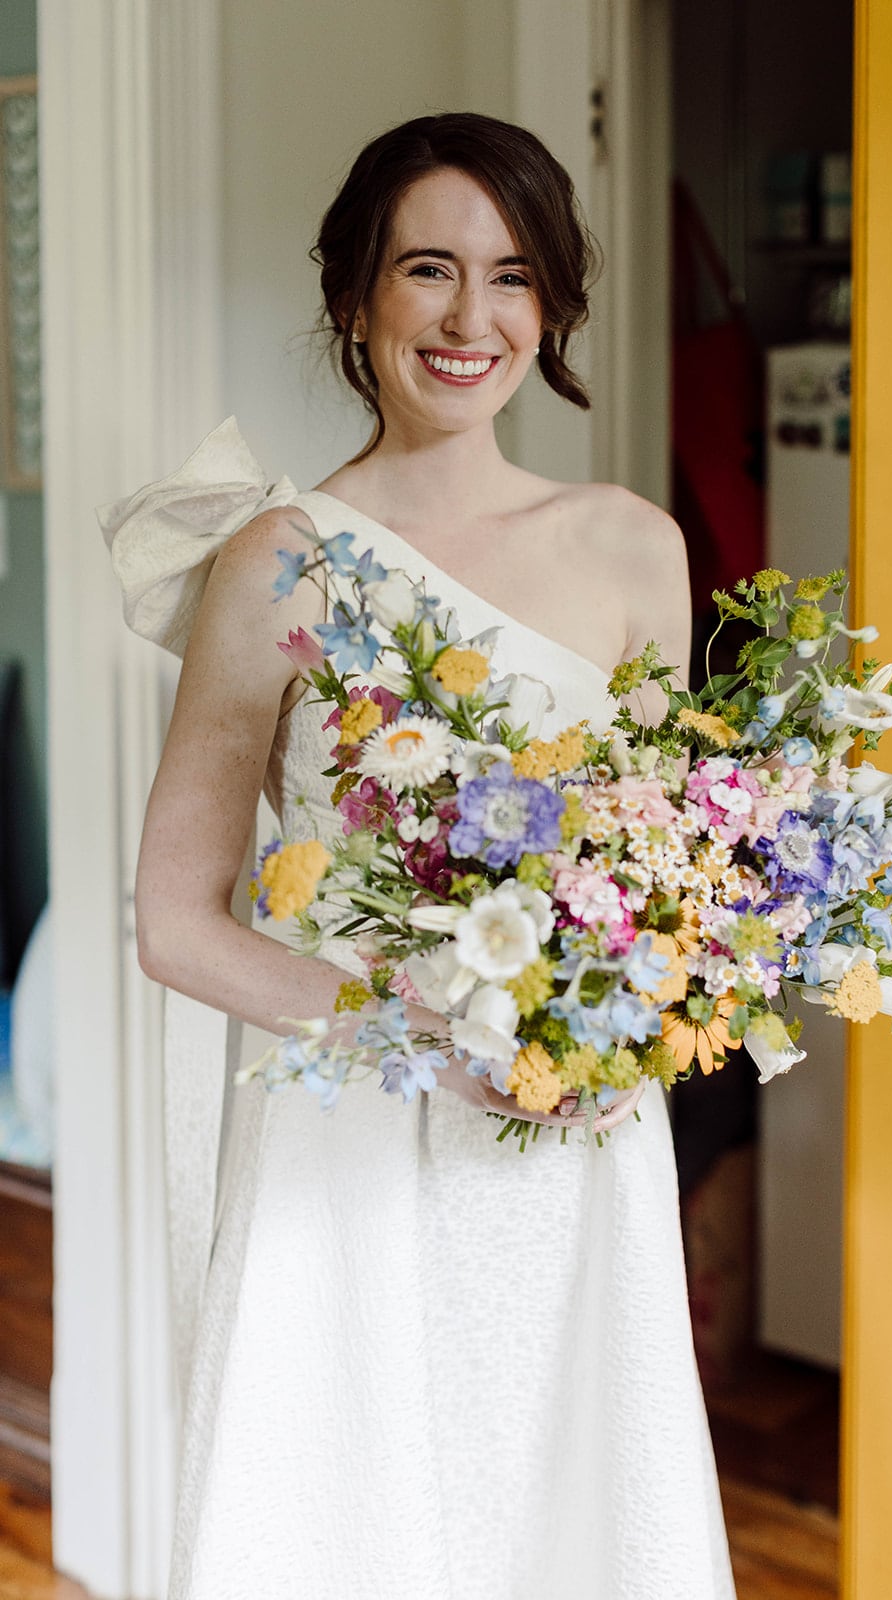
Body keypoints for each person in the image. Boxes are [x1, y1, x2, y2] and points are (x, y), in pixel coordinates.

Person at [104, 112, 737, 1600]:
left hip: (571, 1134)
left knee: (572, 1517)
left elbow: (673, 865)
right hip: (354, 1128)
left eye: (511, 276)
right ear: (355, 296)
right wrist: (422, 1038)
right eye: (428, 270)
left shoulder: (633, 545)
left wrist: (630, 1014)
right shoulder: (280, 560)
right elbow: (175, 921)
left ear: (553, 306)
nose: (470, 320)